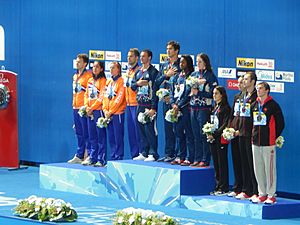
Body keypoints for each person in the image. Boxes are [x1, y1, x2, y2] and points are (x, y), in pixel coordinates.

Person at [251, 82, 284, 204]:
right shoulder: (254, 104)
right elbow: (252, 122)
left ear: (267, 90)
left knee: (269, 169)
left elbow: (281, 123)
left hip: (268, 143)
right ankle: (262, 193)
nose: (258, 90)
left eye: (260, 88)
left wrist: (273, 137)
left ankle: (271, 194)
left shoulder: (273, 105)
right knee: (258, 168)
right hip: (255, 141)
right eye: (257, 88)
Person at [189, 53, 218, 167]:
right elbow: (188, 89)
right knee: (195, 135)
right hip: (193, 108)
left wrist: (199, 92)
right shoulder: (193, 75)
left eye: (200, 61)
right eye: (197, 62)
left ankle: (205, 159)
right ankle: (197, 158)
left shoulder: (210, 76)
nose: (198, 64)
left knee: (203, 134)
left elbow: (213, 94)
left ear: (205, 63)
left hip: (204, 108)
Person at [132, 49, 159, 161]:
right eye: (141, 56)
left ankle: (153, 153)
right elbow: (132, 86)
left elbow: (156, 89)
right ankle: (144, 152)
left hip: (149, 105)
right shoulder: (138, 72)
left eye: (144, 56)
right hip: (140, 103)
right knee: (141, 129)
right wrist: (138, 83)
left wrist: (153, 107)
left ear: (149, 58)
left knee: (150, 129)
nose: (142, 58)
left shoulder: (153, 72)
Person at [235, 71, 258, 201]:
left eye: (246, 79)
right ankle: (246, 189)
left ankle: (256, 191)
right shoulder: (243, 95)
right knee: (243, 162)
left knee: (252, 164)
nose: (243, 81)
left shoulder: (256, 96)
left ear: (253, 81)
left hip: (251, 134)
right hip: (242, 133)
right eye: (243, 79)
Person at [156, 40, 181, 163]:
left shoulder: (180, 65)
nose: (168, 51)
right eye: (167, 49)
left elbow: (182, 84)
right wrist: (167, 75)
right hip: (165, 101)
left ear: (176, 51)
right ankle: (168, 154)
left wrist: (173, 99)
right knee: (167, 129)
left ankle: (178, 155)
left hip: (176, 102)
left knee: (177, 129)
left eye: (170, 49)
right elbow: (157, 81)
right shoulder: (164, 65)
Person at [169, 55, 195, 166]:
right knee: (178, 132)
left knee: (188, 133)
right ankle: (180, 155)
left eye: (183, 62)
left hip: (186, 109)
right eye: (180, 62)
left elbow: (187, 94)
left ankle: (190, 157)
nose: (181, 64)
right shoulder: (177, 77)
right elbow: (171, 91)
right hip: (175, 109)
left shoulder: (191, 77)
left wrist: (178, 105)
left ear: (188, 64)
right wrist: (173, 104)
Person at [81, 61, 107, 166]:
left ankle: (101, 159)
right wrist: (87, 107)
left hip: (98, 111)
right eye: (93, 67)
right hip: (89, 111)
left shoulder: (103, 81)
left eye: (97, 67)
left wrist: (92, 108)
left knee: (100, 136)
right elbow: (86, 95)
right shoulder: (90, 80)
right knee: (91, 135)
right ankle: (92, 157)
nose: (94, 69)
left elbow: (101, 97)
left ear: (101, 69)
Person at [68, 53, 92, 164]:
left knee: (86, 132)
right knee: (78, 132)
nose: (77, 63)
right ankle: (79, 154)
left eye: (79, 62)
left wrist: (87, 107)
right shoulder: (75, 76)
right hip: (75, 107)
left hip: (83, 108)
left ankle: (88, 154)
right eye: (76, 61)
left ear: (85, 64)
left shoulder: (88, 76)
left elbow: (89, 93)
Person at [207, 86, 231, 195]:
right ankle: (218, 185)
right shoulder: (214, 107)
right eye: (213, 94)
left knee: (222, 163)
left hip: (220, 138)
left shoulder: (226, 108)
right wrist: (208, 132)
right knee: (216, 163)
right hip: (213, 138)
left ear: (222, 94)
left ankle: (224, 187)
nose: (214, 95)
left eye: (216, 93)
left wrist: (215, 134)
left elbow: (225, 124)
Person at [103, 62, 126, 160]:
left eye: (113, 68)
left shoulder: (121, 81)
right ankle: (113, 157)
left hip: (117, 113)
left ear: (118, 69)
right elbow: (104, 96)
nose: (111, 70)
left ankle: (118, 157)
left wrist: (111, 111)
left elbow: (119, 98)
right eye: (110, 68)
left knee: (118, 137)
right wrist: (105, 110)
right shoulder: (108, 82)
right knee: (111, 137)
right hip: (108, 114)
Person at [227, 75, 245, 197]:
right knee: (236, 160)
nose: (238, 85)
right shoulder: (237, 97)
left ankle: (246, 188)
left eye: (241, 82)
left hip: (244, 134)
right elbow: (232, 114)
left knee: (245, 162)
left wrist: (240, 130)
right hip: (234, 133)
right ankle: (237, 187)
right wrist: (230, 128)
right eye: (237, 82)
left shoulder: (251, 98)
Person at [123, 48, 141, 158]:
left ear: (136, 58)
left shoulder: (139, 70)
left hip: (137, 104)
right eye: (128, 56)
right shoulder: (128, 71)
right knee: (131, 133)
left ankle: (141, 153)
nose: (128, 58)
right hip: (128, 105)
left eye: (131, 56)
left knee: (138, 131)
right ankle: (134, 155)